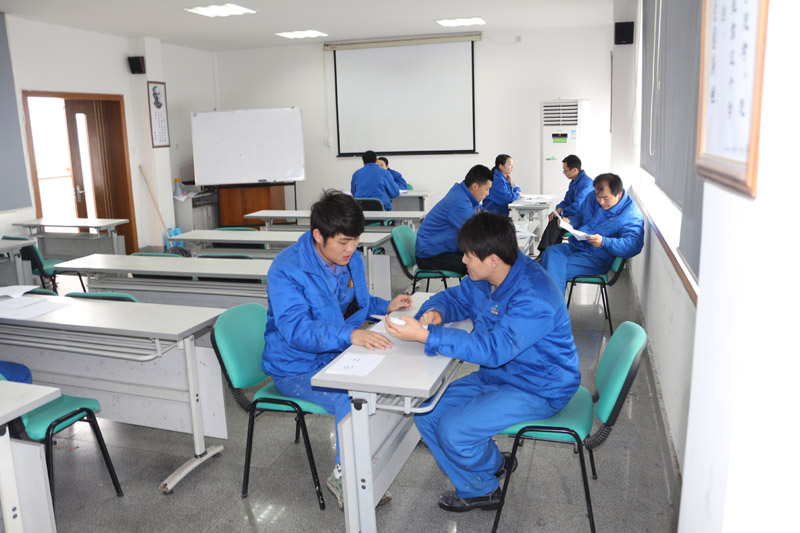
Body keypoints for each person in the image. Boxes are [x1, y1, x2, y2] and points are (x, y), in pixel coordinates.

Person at [384, 212, 581, 512]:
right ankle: (487, 476)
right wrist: (436, 311)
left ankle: (487, 475)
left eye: (468, 255)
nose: (463, 260)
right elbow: (456, 298)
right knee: (427, 413)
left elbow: (492, 349)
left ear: (492, 260)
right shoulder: (487, 277)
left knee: (453, 431)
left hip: (539, 387)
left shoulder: (534, 296)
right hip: (499, 376)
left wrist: (427, 335)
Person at [261, 190, 412, 509]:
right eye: (343, 241)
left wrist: (386, 306)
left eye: (355, 240)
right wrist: (350, 335)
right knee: (352, 396)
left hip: (337, 354)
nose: (351, 248)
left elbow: (355, 302)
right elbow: (297, 330)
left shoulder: (350, 259)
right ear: (318, 235)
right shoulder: (286, 269)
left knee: (388, 375)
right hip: (296, 368)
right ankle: (347, 476)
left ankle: (377, 452)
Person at [540, 172, 644, 293]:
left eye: (606, 198)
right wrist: (570, 221)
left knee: (550, 270)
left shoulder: (631, 215)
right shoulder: (592, 197)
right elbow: (580, 216)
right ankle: (550, 302)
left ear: (619, 194)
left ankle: (551, 304)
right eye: (598, 196)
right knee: (549, 252)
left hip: (598, 258)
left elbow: (633, 245)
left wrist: (604, 242)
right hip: (577, 246)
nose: (601, 201)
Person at [415, 165, 494, 275]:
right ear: (475, 186)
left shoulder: (464, 194)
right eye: (487, 189)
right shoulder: (459, 201)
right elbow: (478, 230)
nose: (487, 193)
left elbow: (483, 215)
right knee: (478, 265)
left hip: (445, 249)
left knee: (484, 259)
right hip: (431, 256)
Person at [537, 154, 595, 254]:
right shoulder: (574, 182)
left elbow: (578, 206)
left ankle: (545, 252)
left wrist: (562, 212)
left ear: (574, 170)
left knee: (556, 222)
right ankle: (548, 253)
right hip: (573, 215)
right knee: (555, 219)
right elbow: (567, 200)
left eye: (565, 170)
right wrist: (559, 208)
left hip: (582, 219)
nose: (563, 172)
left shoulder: (586, 184)